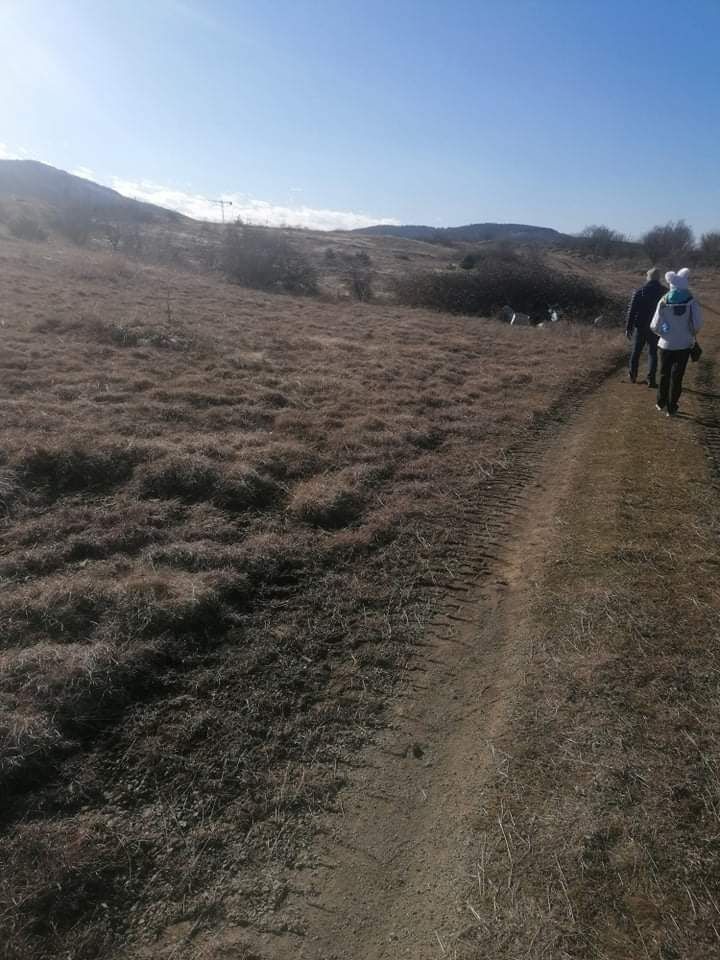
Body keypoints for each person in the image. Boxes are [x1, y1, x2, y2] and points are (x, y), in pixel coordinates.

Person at [650, 268, 703, 417]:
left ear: (671, 284)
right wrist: (690, 333)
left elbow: (654, 325)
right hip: (684, 345)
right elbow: (697, 324)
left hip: (665, 345)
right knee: (677, 376)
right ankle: (672, 407)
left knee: (664, 374)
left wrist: (664, 332)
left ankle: (661, 403)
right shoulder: (692, 302)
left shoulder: (663, 301)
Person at [625, 267, 667, 386]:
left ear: (648, 277)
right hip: (656, 327)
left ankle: (633, 375)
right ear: (659, 278)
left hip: (641, 325)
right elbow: (668, 311)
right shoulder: (665, 292)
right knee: (653, 352)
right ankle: (651, 379)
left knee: (636, 351)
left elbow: (632, 311)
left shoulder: (640, 291)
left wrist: (629, 327)